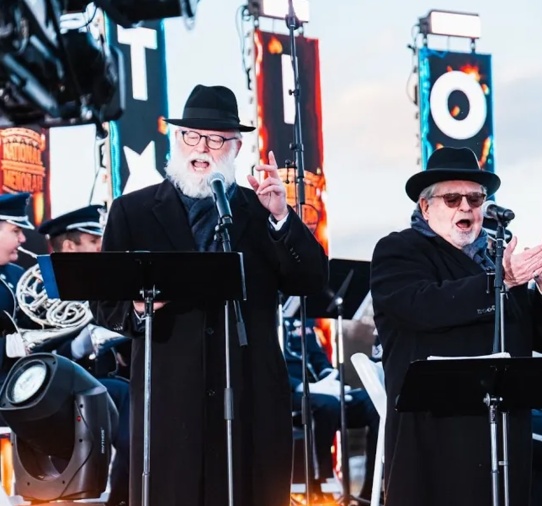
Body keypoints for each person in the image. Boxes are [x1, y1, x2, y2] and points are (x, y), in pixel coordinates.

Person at [93, 84, 329, 506]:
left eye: (216, 139)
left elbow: (311, 280)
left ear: (235, 148)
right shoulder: (132, 211)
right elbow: (104, 303)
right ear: (177, 140)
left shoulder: (260, 210)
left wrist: (281, 217)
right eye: (192, 136)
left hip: (250, 394)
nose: (202, 147)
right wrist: (138, 307)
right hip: (170, 397)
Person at [370, 146, 542, 506]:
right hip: (436, 428)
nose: (466, 207)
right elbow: (421, 306)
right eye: (452, 198)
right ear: (426, 206)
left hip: (505, 424)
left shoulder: (496, 255)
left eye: (476, 198)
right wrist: (501, 280)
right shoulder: (399, 250)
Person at [36, 204, 131, 506]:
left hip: (99, 386)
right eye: (93, 243)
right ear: (69, 246)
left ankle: (124, 497)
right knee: (122, 396)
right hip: (51, 393)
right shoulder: (37, 289)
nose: (101, 249)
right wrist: (77, 348)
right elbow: (32, 355)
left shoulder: (102, 284)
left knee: (134, 398)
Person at [284, 320, 381, 502]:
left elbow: (316, 355)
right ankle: (322, 482)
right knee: (327, 405)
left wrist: (330, 378)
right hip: (288, 393)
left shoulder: (300, 315)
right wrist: (304, 387)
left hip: (321, 389)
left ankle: (373, 489)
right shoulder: (264, 315)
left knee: (373, 402)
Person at [0, 193, 34, 387]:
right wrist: (8, 347)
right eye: (16, 231)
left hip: (20, 380)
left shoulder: (17, 275)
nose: (22, 238)